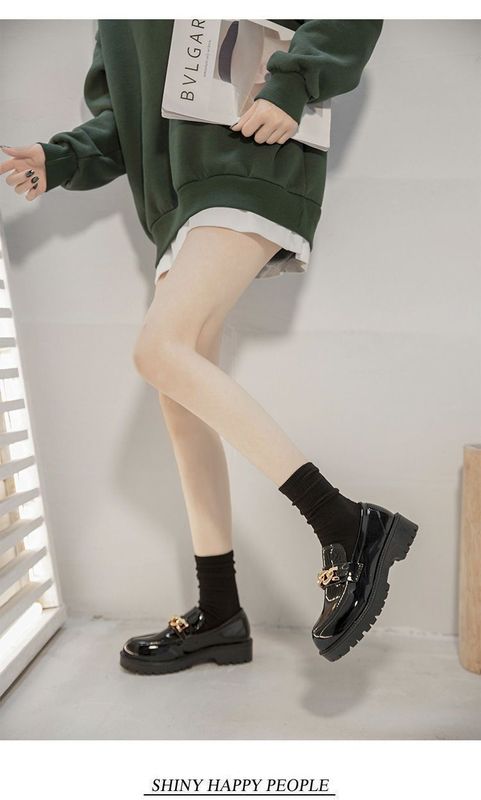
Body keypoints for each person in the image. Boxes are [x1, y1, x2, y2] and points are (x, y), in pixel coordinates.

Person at [0, 18, 418, 676]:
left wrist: (292, 85)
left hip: (249, 154)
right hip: (177, 199)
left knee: (158, 350)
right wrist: (62, 158)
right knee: (179, 399)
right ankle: (220, 611)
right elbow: (126, 112)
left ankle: (344, 524)